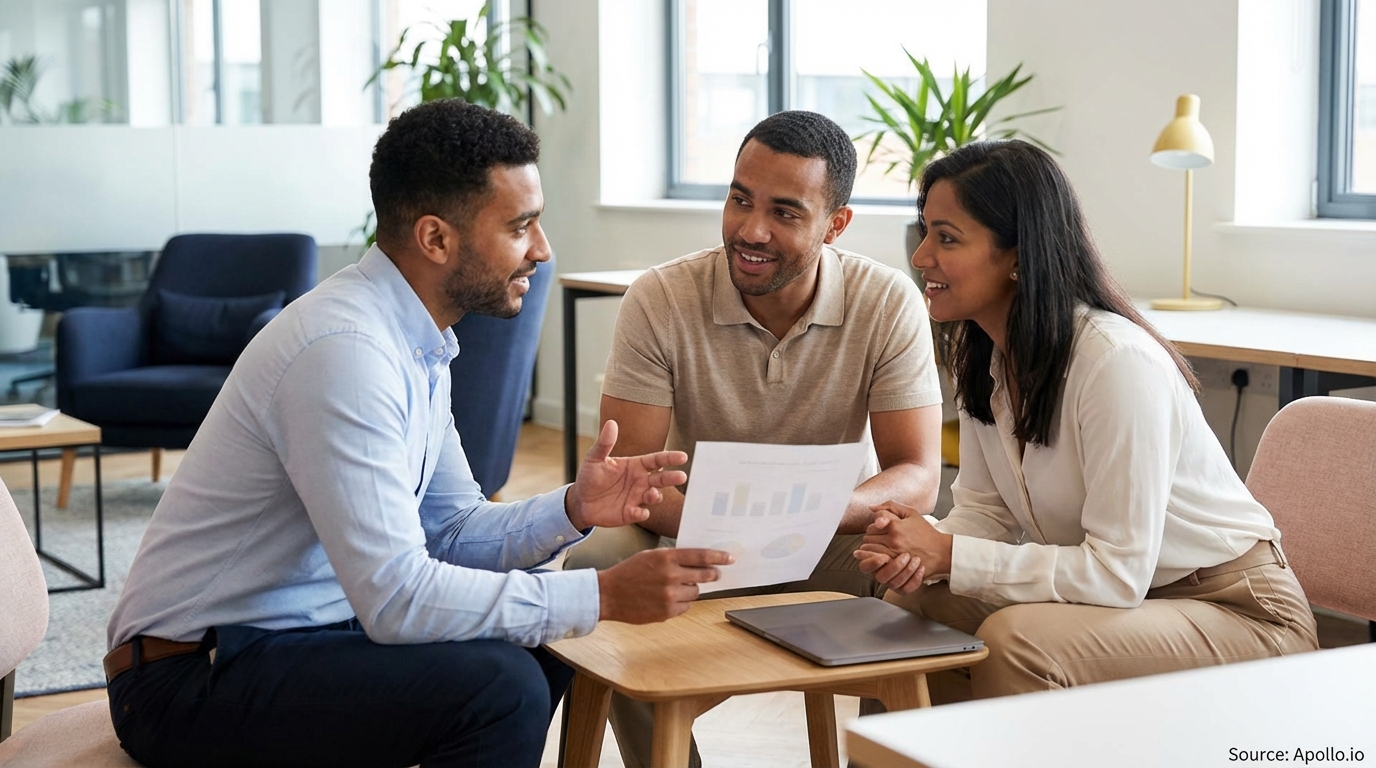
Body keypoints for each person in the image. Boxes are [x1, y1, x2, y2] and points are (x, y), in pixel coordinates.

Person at [104, 99, 733, 768]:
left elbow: (452, 532)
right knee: (502, 687)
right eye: (521, 227)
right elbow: (397, 597)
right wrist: (602, 594)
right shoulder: (345, 352)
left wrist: (575, 506)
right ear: (436, 239)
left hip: (297, 638)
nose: (542, 252)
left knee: (540, 648)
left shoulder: (413, 342)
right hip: (186, 675)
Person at [855, 139, 1319, 703]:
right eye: (925, 230)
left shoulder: (1115, 362)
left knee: (1017, 641)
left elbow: (1117, 574)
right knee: (908, 605)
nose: (921, 255)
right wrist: (919, 548)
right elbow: (985, 513)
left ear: (1020, 255)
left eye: (947, 237)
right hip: (1134, 599)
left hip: (1238, 609)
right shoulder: (985, 353)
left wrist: (948, 554)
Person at [566, 110, 945, 767]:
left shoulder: (886, 301)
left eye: (785, 212)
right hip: (693, 536)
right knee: (598, 561)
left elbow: (916, 473)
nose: (751, 230)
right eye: (740, 199)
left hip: (830, 542)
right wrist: (734, 528)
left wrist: (812, 517)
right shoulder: (661, 298)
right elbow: (628, 476)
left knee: (919, 568)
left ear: (837, 224)